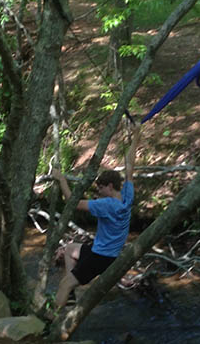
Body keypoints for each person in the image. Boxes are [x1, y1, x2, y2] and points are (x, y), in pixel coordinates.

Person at [50, 123, 141, 314]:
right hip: (108, 253)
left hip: (100, 257)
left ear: (109, 186)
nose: (98, 191)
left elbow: (72, 203)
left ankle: (51, 324)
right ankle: (71, 297)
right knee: (68, 250)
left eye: (100, 187)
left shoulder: (106, 205)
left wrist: (62, 179)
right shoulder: (127, 197)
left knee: (65, 284)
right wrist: (136, 135)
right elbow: (130, 165)